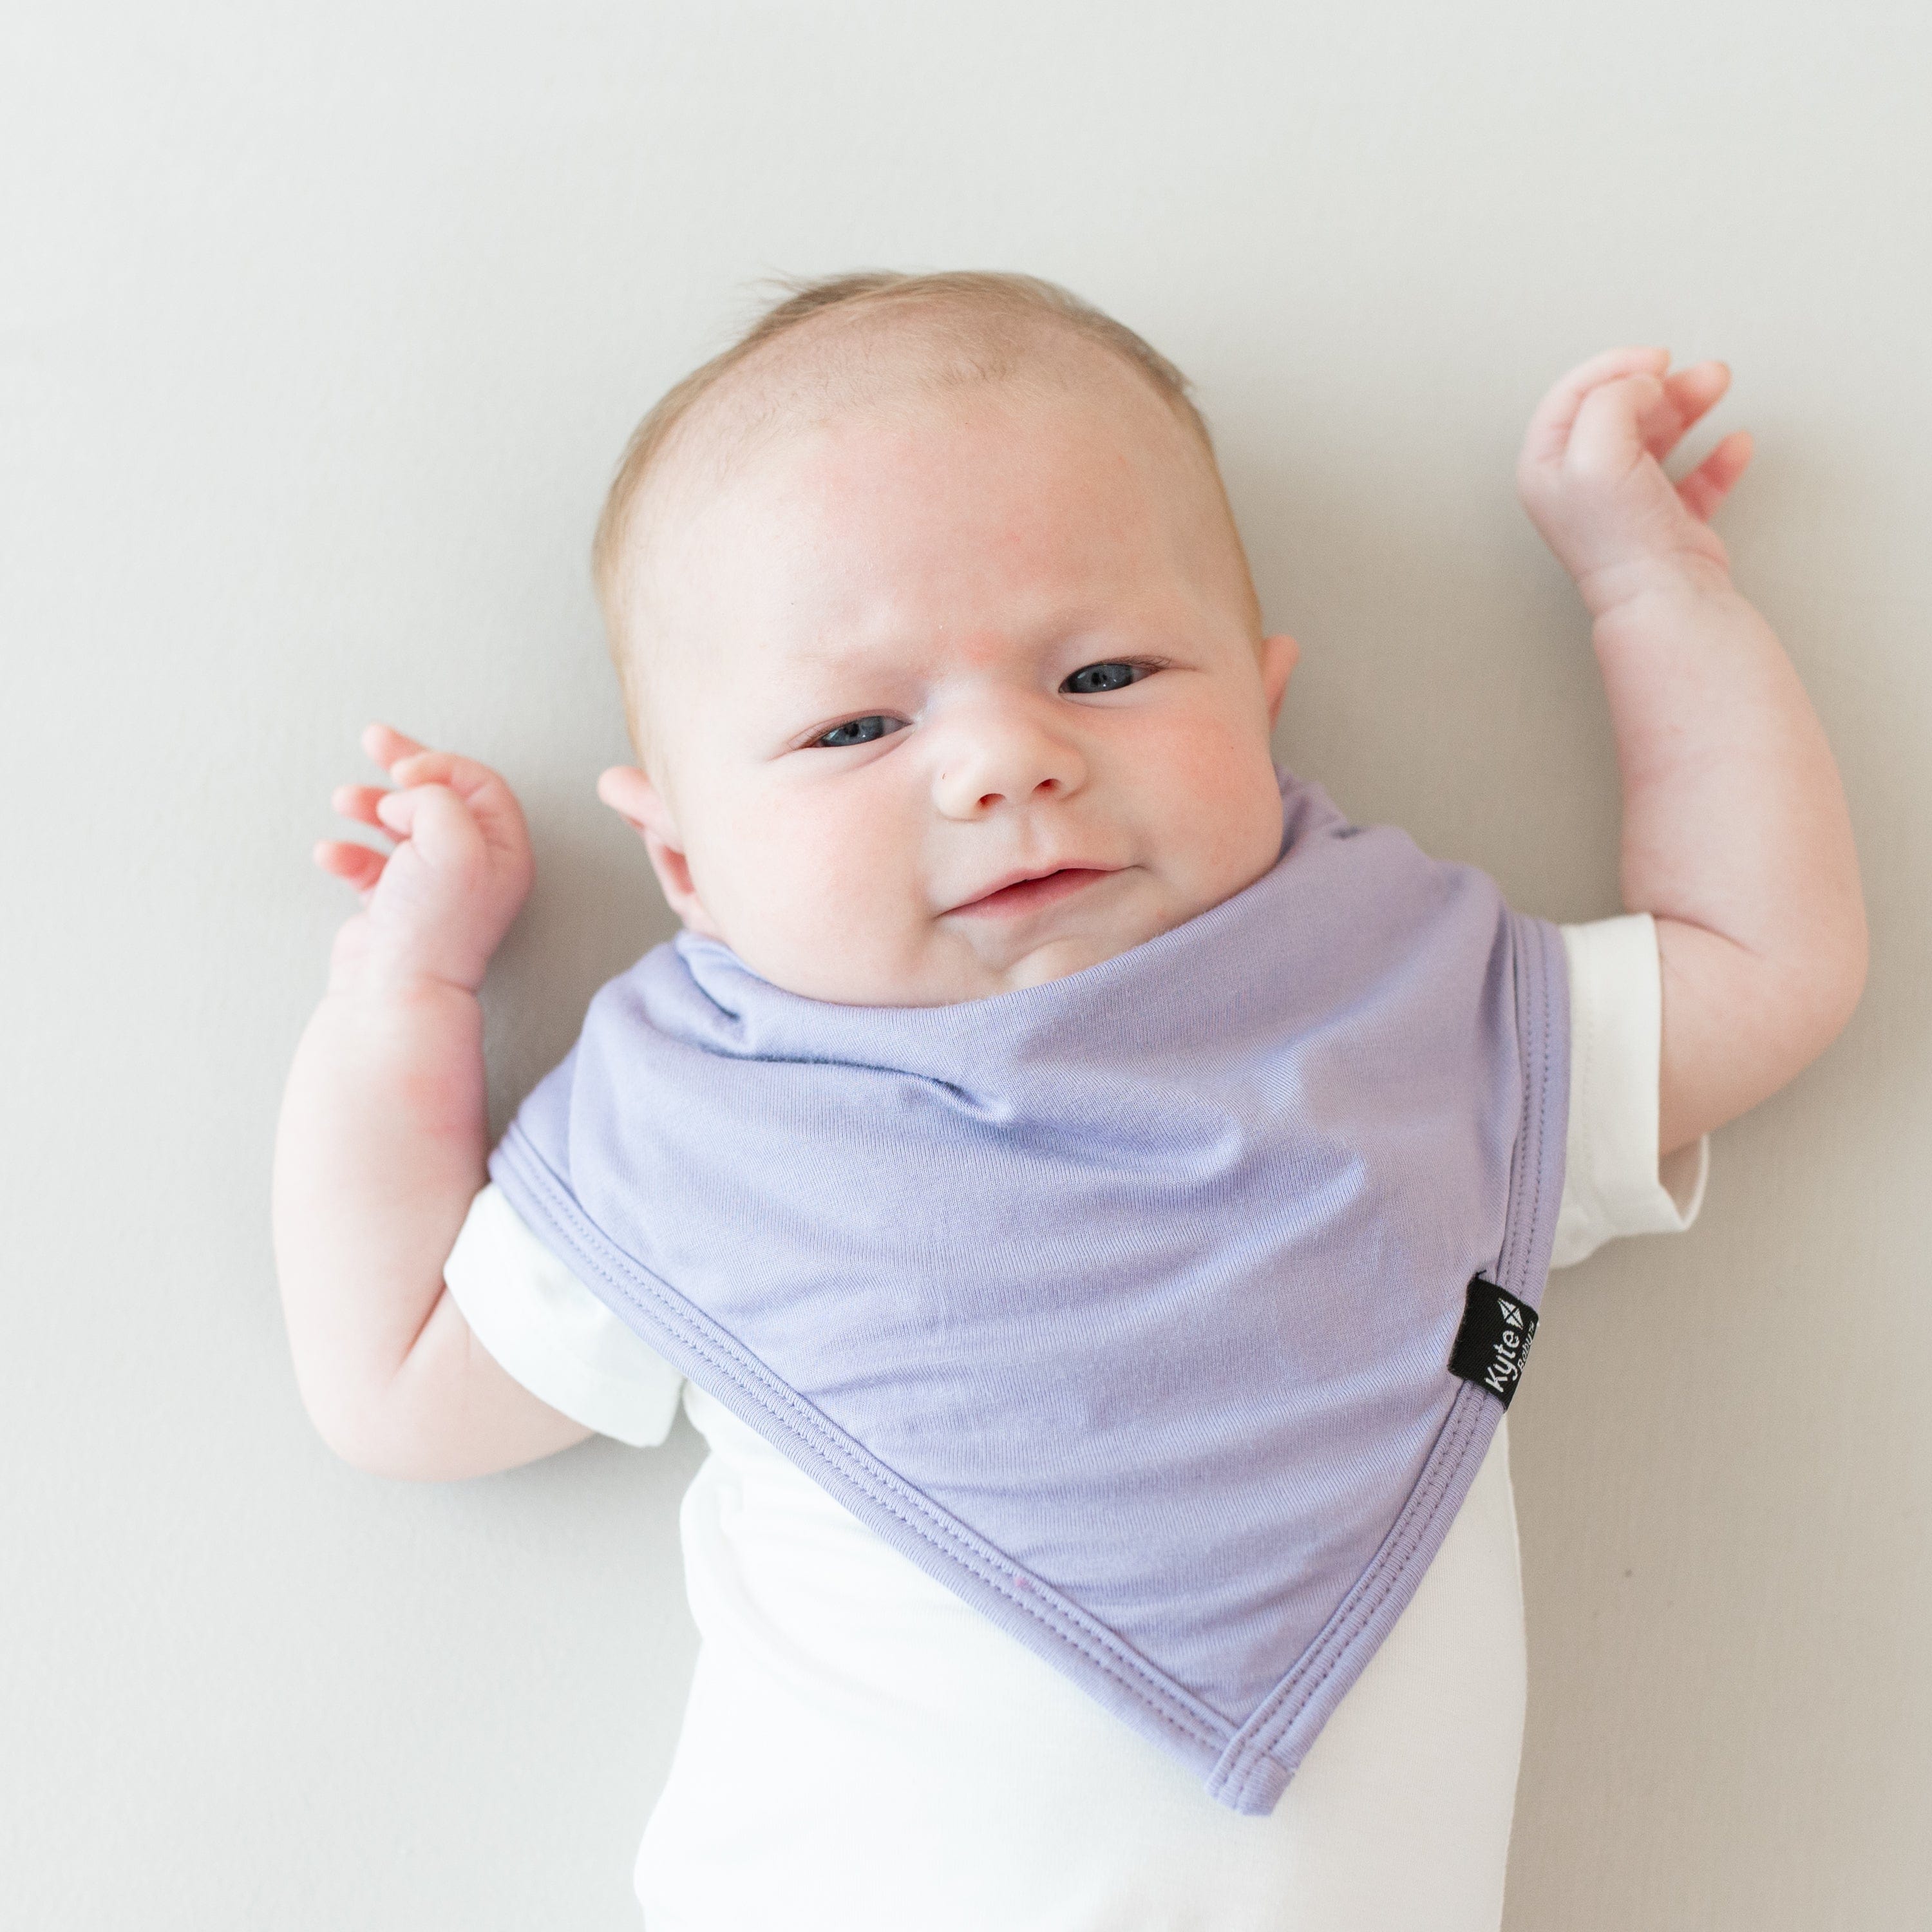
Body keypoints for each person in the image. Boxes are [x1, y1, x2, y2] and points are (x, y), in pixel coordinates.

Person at [272, 272, 1866, 1929]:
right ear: (682, 859)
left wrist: (1655, 589)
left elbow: (1767, 967)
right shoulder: (703, 1122)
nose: (1002, 762)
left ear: (1261, 706)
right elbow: (397, 1387)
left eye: (1104, 674)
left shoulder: (1407, 1015)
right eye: (855, 724)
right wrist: (404, 989)